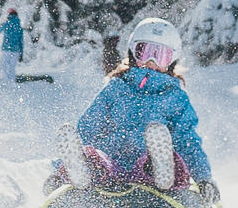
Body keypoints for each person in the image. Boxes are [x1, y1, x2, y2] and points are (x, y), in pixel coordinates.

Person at [64, 15, 215, 196]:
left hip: (152, 176)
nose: (151, 61)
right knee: (95, 158)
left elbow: (187, 141)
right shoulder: (116, 88)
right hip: (113, 167)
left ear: (172, 61)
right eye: (144, 52)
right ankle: (78, 173)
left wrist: (203, 179)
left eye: (160, 55)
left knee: (171, 162)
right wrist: (63, 167)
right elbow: (88, 129)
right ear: (132, 52)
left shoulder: (175, 97)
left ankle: (160, 167)